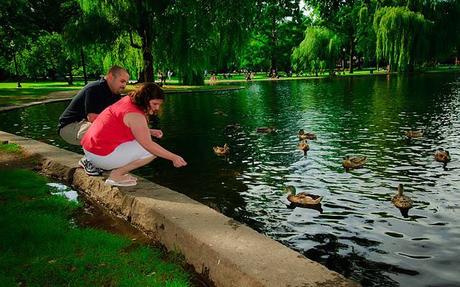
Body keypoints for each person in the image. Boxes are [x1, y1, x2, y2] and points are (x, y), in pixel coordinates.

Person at [81, 82, 187, 186]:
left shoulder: (128, 100)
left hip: (90, 150)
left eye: (159, 104)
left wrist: (148, 130)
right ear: (145, 100)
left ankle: (93, 162)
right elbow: (149, 145)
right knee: (153, 151)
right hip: (100, 156)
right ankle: (116, 175)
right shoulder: (135, 115)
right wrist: (173, 157)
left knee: (146, 144)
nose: (157, 108)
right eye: (155, 104)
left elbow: (121, 125)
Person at [57, 65, 129, 175]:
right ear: (110, 77)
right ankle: (89, 160)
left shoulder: (115, 94)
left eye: (126, 83)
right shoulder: (95, 89)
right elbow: (92, 118)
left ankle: (102, 161)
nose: (124, 85)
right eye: (122, 81)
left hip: (84, 128)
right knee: (103, 129)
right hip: (69, 128)